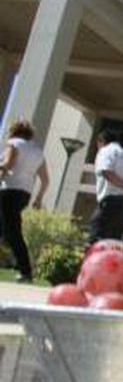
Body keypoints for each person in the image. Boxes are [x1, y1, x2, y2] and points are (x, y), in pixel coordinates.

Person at [0, 119, 48, 281]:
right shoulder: (37, 151)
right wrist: (38, 198)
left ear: (14, 131)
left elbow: (8, 165)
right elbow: (45, 179)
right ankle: (24, 269)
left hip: (8, 191)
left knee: (12, 233)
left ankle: (25, 270)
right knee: (9, 231)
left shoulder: (13, 143)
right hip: (24, 194)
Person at [89, 130, 123, 243]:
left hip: (113, 201)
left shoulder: (105, 151)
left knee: (96, 235)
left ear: (101, 141)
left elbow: (106, 171)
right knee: (114, 238)